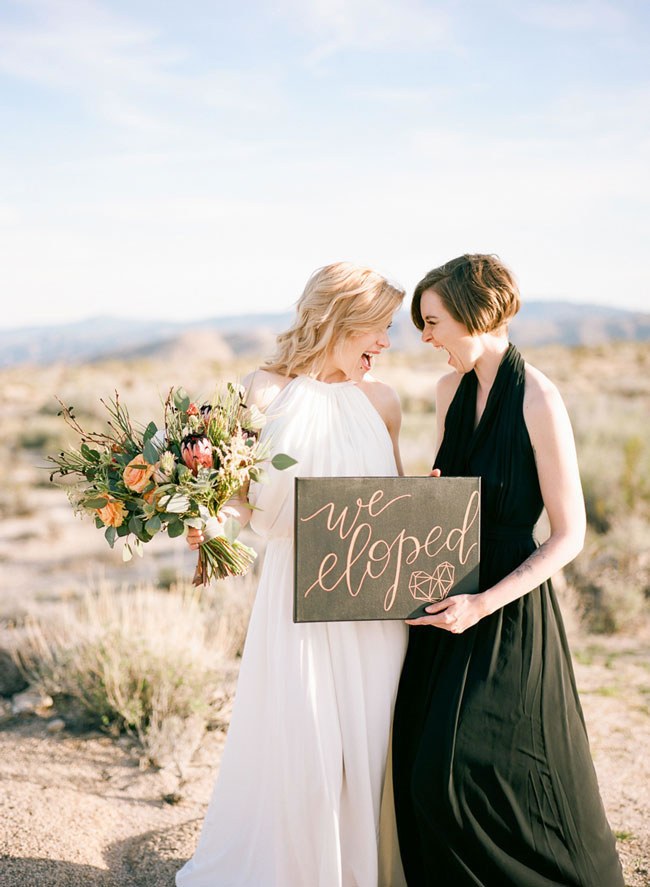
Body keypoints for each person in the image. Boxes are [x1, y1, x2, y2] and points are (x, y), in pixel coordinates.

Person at [392, 254, 624, 887]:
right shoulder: (447, 392)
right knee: (418, 764)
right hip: (446, 597)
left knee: (461, 775)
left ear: (476, 313)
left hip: (505, 607)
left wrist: (484, 603)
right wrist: (427, 497)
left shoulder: (540, 399)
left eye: (433, 321)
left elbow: (569, 534)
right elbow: (449, 496)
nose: (426, 337)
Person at [176, 262, 409, 887]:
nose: (387, 343)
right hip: (295, 598)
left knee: (370, 741)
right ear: (337, 321)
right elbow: (238, 497)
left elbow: (395, 504)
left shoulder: (383, 401)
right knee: (303, 740)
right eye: (378, 327)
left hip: (372, 607)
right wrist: (212, 523)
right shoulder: (261, 393)